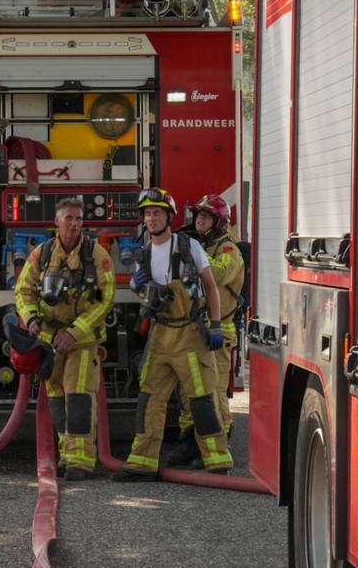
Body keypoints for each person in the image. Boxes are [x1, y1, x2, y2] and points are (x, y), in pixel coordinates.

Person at [114, 187, 233, 481]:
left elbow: (211, 287)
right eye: (147, 214)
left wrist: (215, 324)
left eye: (157, 213)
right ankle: (142, 463)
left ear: (169, 217)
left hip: (191, 333)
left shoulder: (189, 247)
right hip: (161, 334)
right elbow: (149, 299)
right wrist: (138, 287)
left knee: (201, 399)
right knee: (150, 399)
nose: (151, 218)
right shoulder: (143, 254)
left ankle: (218, 460)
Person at [13, 197, 116, 481]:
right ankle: (67, 455)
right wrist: (31, 318)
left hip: (81, 340)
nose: (74, 224)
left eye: (78, 219)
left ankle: (81, 461)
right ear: (57, 222)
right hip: (49, 341)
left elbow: (106, 298)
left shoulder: (96, 255)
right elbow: (23, 290)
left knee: (78, 396)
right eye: (68, 218)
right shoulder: (42, 254)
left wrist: (75, 332)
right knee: (57, 399)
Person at [169, 194, 244, 468]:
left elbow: (219, 275)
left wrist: (193, 255)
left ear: (219, 222)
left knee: (214, 390)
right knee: (190, 389)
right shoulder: (203, 246)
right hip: (195, 329)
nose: (200, 220)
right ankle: (191, 443)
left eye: (206, 216)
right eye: (198, 215)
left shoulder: (228, 250)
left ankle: (220, 446)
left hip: (218, 332)